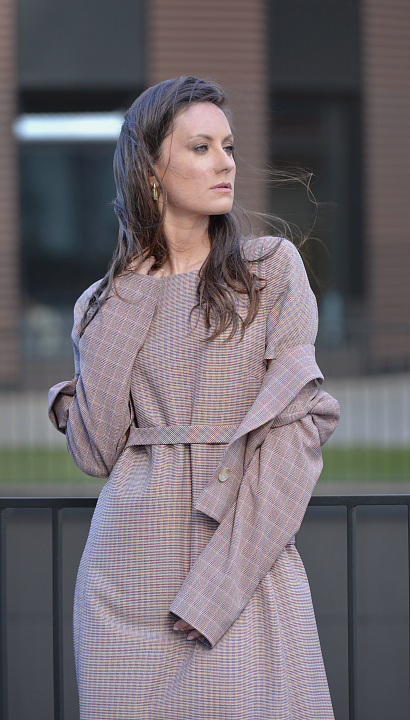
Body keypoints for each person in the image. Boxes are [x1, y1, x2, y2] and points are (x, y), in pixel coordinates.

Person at [48, 76, 340, 720]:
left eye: (227, 146)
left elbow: (294, 439)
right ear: (151, 172)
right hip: (125, 584)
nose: (226, 162)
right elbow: (96, 450)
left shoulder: (269, 270)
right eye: (201, 147)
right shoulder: (102, 303)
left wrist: (217, 588)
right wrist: (132, 289)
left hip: (238, 568)